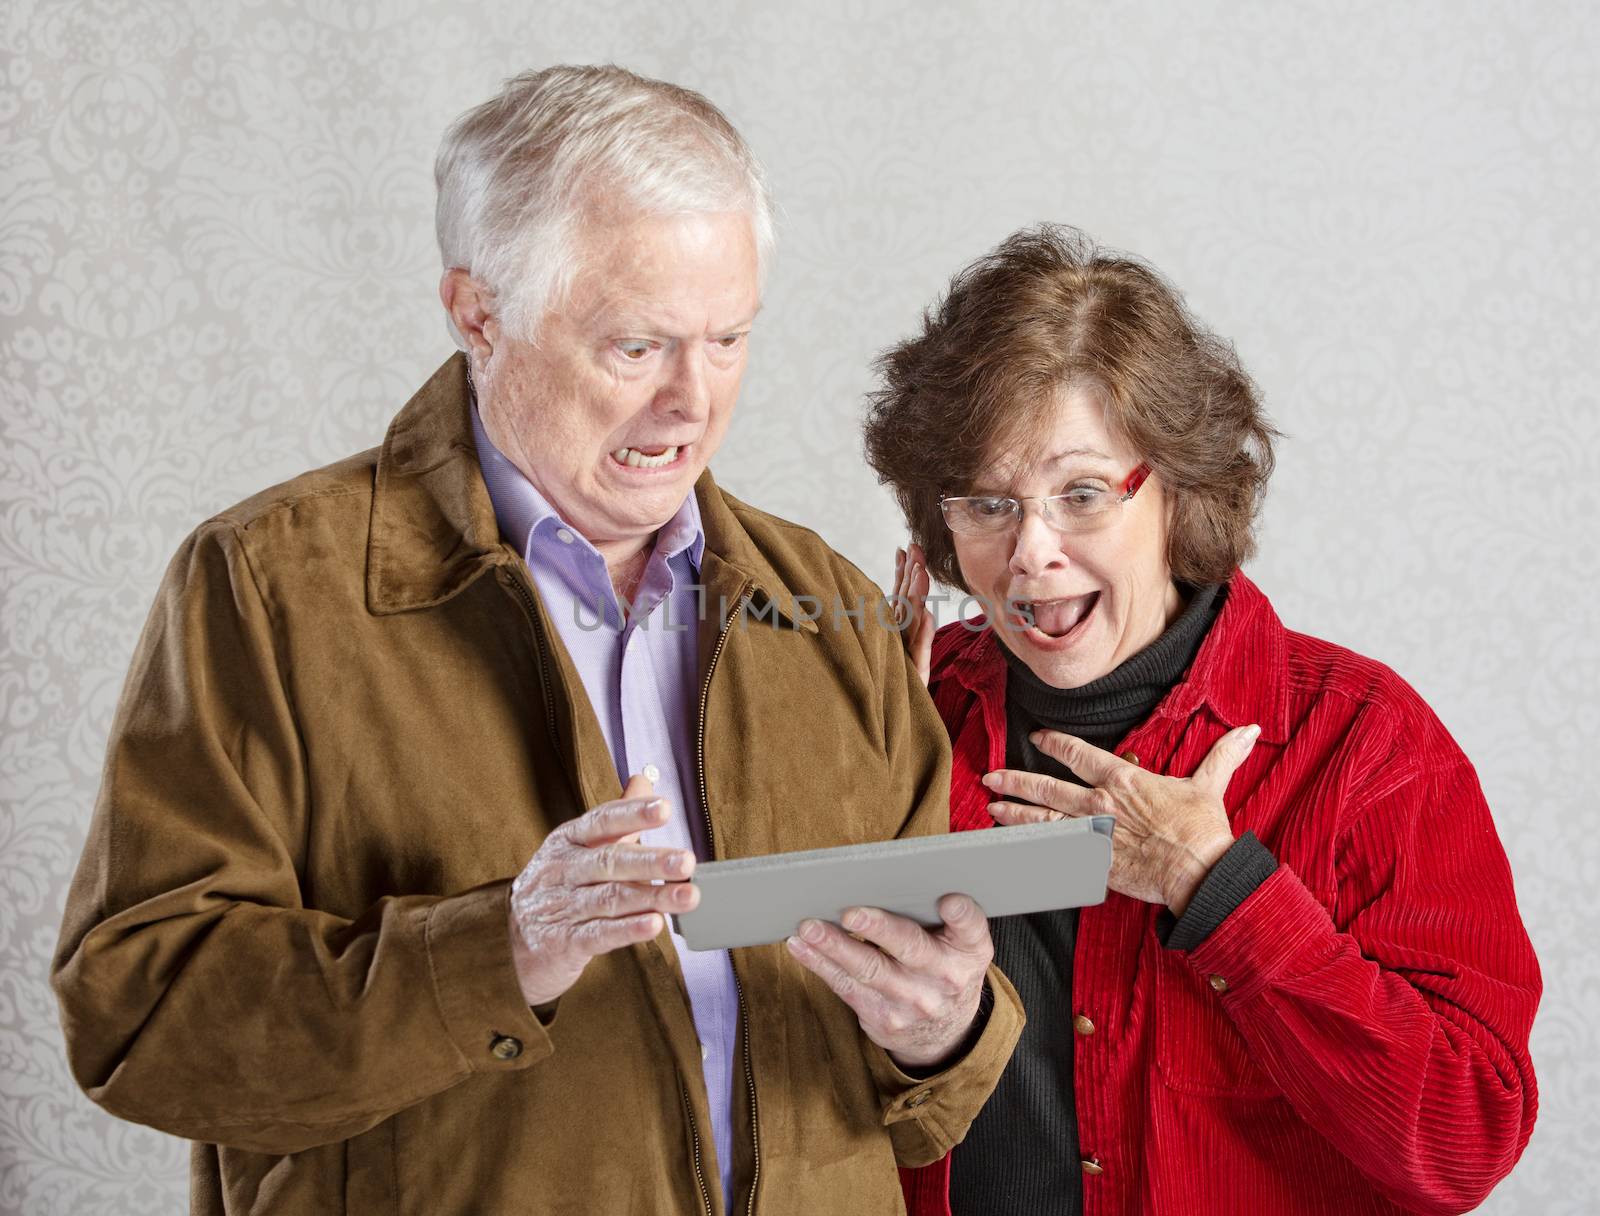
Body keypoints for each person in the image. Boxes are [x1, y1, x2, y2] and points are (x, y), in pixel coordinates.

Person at [50, 65, 1024, 1216]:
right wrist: (497, 951)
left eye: (726, 339)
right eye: (635, 347)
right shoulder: (268, 588)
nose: (691, 403)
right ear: (477, 312)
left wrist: (946, 1029)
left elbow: (916, 1105)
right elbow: (141, 1021)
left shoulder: (823, 604)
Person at [866, 224, 1541, 1216]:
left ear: (1174, 491)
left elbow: (1463, 1140)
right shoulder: (902, 713)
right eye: (988, 504)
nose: (1031, 554)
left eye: (1082, 493)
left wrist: (1215, 886)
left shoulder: (1364, 745)